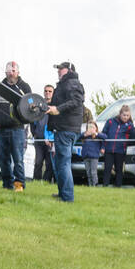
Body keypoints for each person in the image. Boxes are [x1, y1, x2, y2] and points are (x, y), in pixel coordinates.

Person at [0, 61, 32, 190]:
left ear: (18, 72)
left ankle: (19, 185)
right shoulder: (0, 86)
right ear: (6, 72)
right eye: (9, 70)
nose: (12, 73)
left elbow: (31, 104)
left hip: (17, 129)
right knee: (2, 159)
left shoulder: (24, 87)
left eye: (14, 71)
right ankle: (7, 184)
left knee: (18, 159)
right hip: (1, 129)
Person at [46, 61, 84, 202]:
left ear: (68, 70)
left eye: (61, 69)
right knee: (61, 162)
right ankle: (63, 193)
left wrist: (58, 109)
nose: (58, 71)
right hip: (65, 128)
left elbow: (76, 101)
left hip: (66, 129)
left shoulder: (72, 82)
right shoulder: (66, 84)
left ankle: (67, 197)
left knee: (63, 163)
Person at [101, 104, 135, 187]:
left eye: (127, 115)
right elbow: (103, 134)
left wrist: (125, 144)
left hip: (120, 151)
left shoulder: (130, 125)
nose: (125, 117)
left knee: (119, 169)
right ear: (120, 114)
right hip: (109, 150)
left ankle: (118, 186)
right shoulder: (110, 121)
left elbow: (133, 138)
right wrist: (102, 147)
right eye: (124, 115)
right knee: (107, 168)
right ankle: (105, 185)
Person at [32, 83, 55, 182]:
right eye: (46, 91)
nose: (47, 93)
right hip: (39, 139)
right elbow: (32, 122)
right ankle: (36, 182)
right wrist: (35, 134)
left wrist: (52, 138)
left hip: (51, 140)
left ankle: (47, 182)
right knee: (38, 162)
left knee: (49, 164)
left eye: (50, 91)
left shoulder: (55, 107)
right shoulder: (39, 106)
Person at [79, 121, 103, 186]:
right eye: (89, 127)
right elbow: (78, 137)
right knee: (88, 173)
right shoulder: (85, 135)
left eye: (93, 127)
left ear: (96, 128)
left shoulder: (98, 135)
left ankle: (95, 185)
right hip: (86, 156)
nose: (91, 128)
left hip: (94, 157)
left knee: (93, 172)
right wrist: (85, 134)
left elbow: (105, 137)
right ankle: (90, 185)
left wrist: (96, 133)